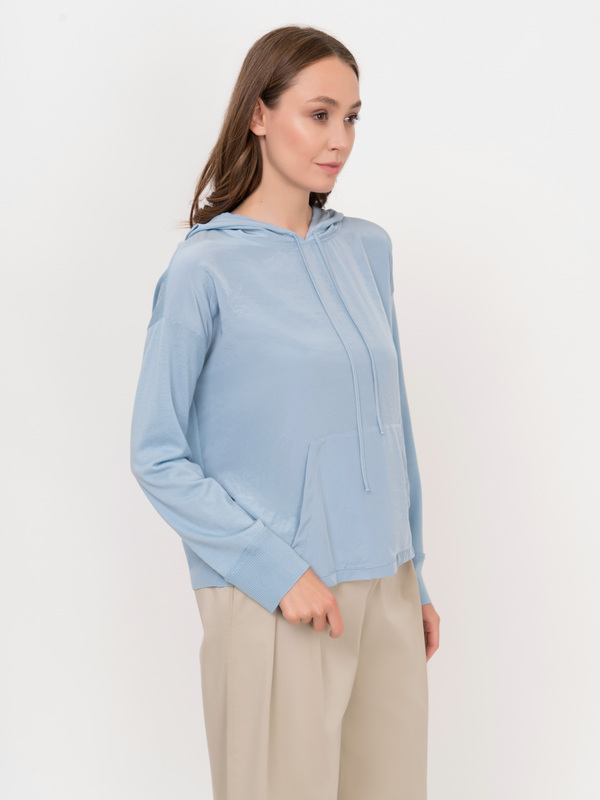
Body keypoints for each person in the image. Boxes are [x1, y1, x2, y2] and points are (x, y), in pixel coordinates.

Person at [130, 24, 440, 800]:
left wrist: (415, 575)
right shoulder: (204, 269)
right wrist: (276, 571)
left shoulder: (366, 249)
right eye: (319, 114)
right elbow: (156, 453)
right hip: (278, 597)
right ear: (259, 115)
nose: (340, 140)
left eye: (352, 118)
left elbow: (393, 422)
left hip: (387, 587)